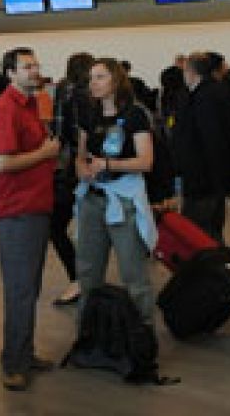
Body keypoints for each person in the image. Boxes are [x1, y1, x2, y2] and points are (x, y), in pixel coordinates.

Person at [0, 47, 60, 391]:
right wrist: (44, 153)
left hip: (37, 206)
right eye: (27, 67)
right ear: (10, 73)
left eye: (36, 65)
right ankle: (13, 363)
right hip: (18, 210)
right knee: (19, 289)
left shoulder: (31, 106)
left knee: (29, 288)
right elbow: (2, 163)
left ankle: (25, 353)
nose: (35, 71)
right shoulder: (5, 110)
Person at [74, 58, 157, 326]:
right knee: (87, 271)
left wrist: (110, 164)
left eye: (100, 77)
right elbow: (81, 154)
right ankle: (87, 332)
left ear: (116, 80)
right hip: (92, 198)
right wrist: (81, 168)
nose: (93, 83)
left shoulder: (135, 114)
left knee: (133, 273)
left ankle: (142, 334)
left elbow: (146, 161)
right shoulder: (89, 113)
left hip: (123, 200)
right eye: (91, 78)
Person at [173, 52, 230, 244]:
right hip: (214, 178)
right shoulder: (218, 91)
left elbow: (210, 139)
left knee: (199, 231)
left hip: (202, 178)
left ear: (191, 71)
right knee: (211, 227)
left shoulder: (203, 97)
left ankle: (211, 269)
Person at [49, 53, 95, 306]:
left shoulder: (66, 92)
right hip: (94, 167)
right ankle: (87, 279)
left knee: (57, 226)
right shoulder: (90, 95)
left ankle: (79, 279)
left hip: (72, 170)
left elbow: (61, 133)